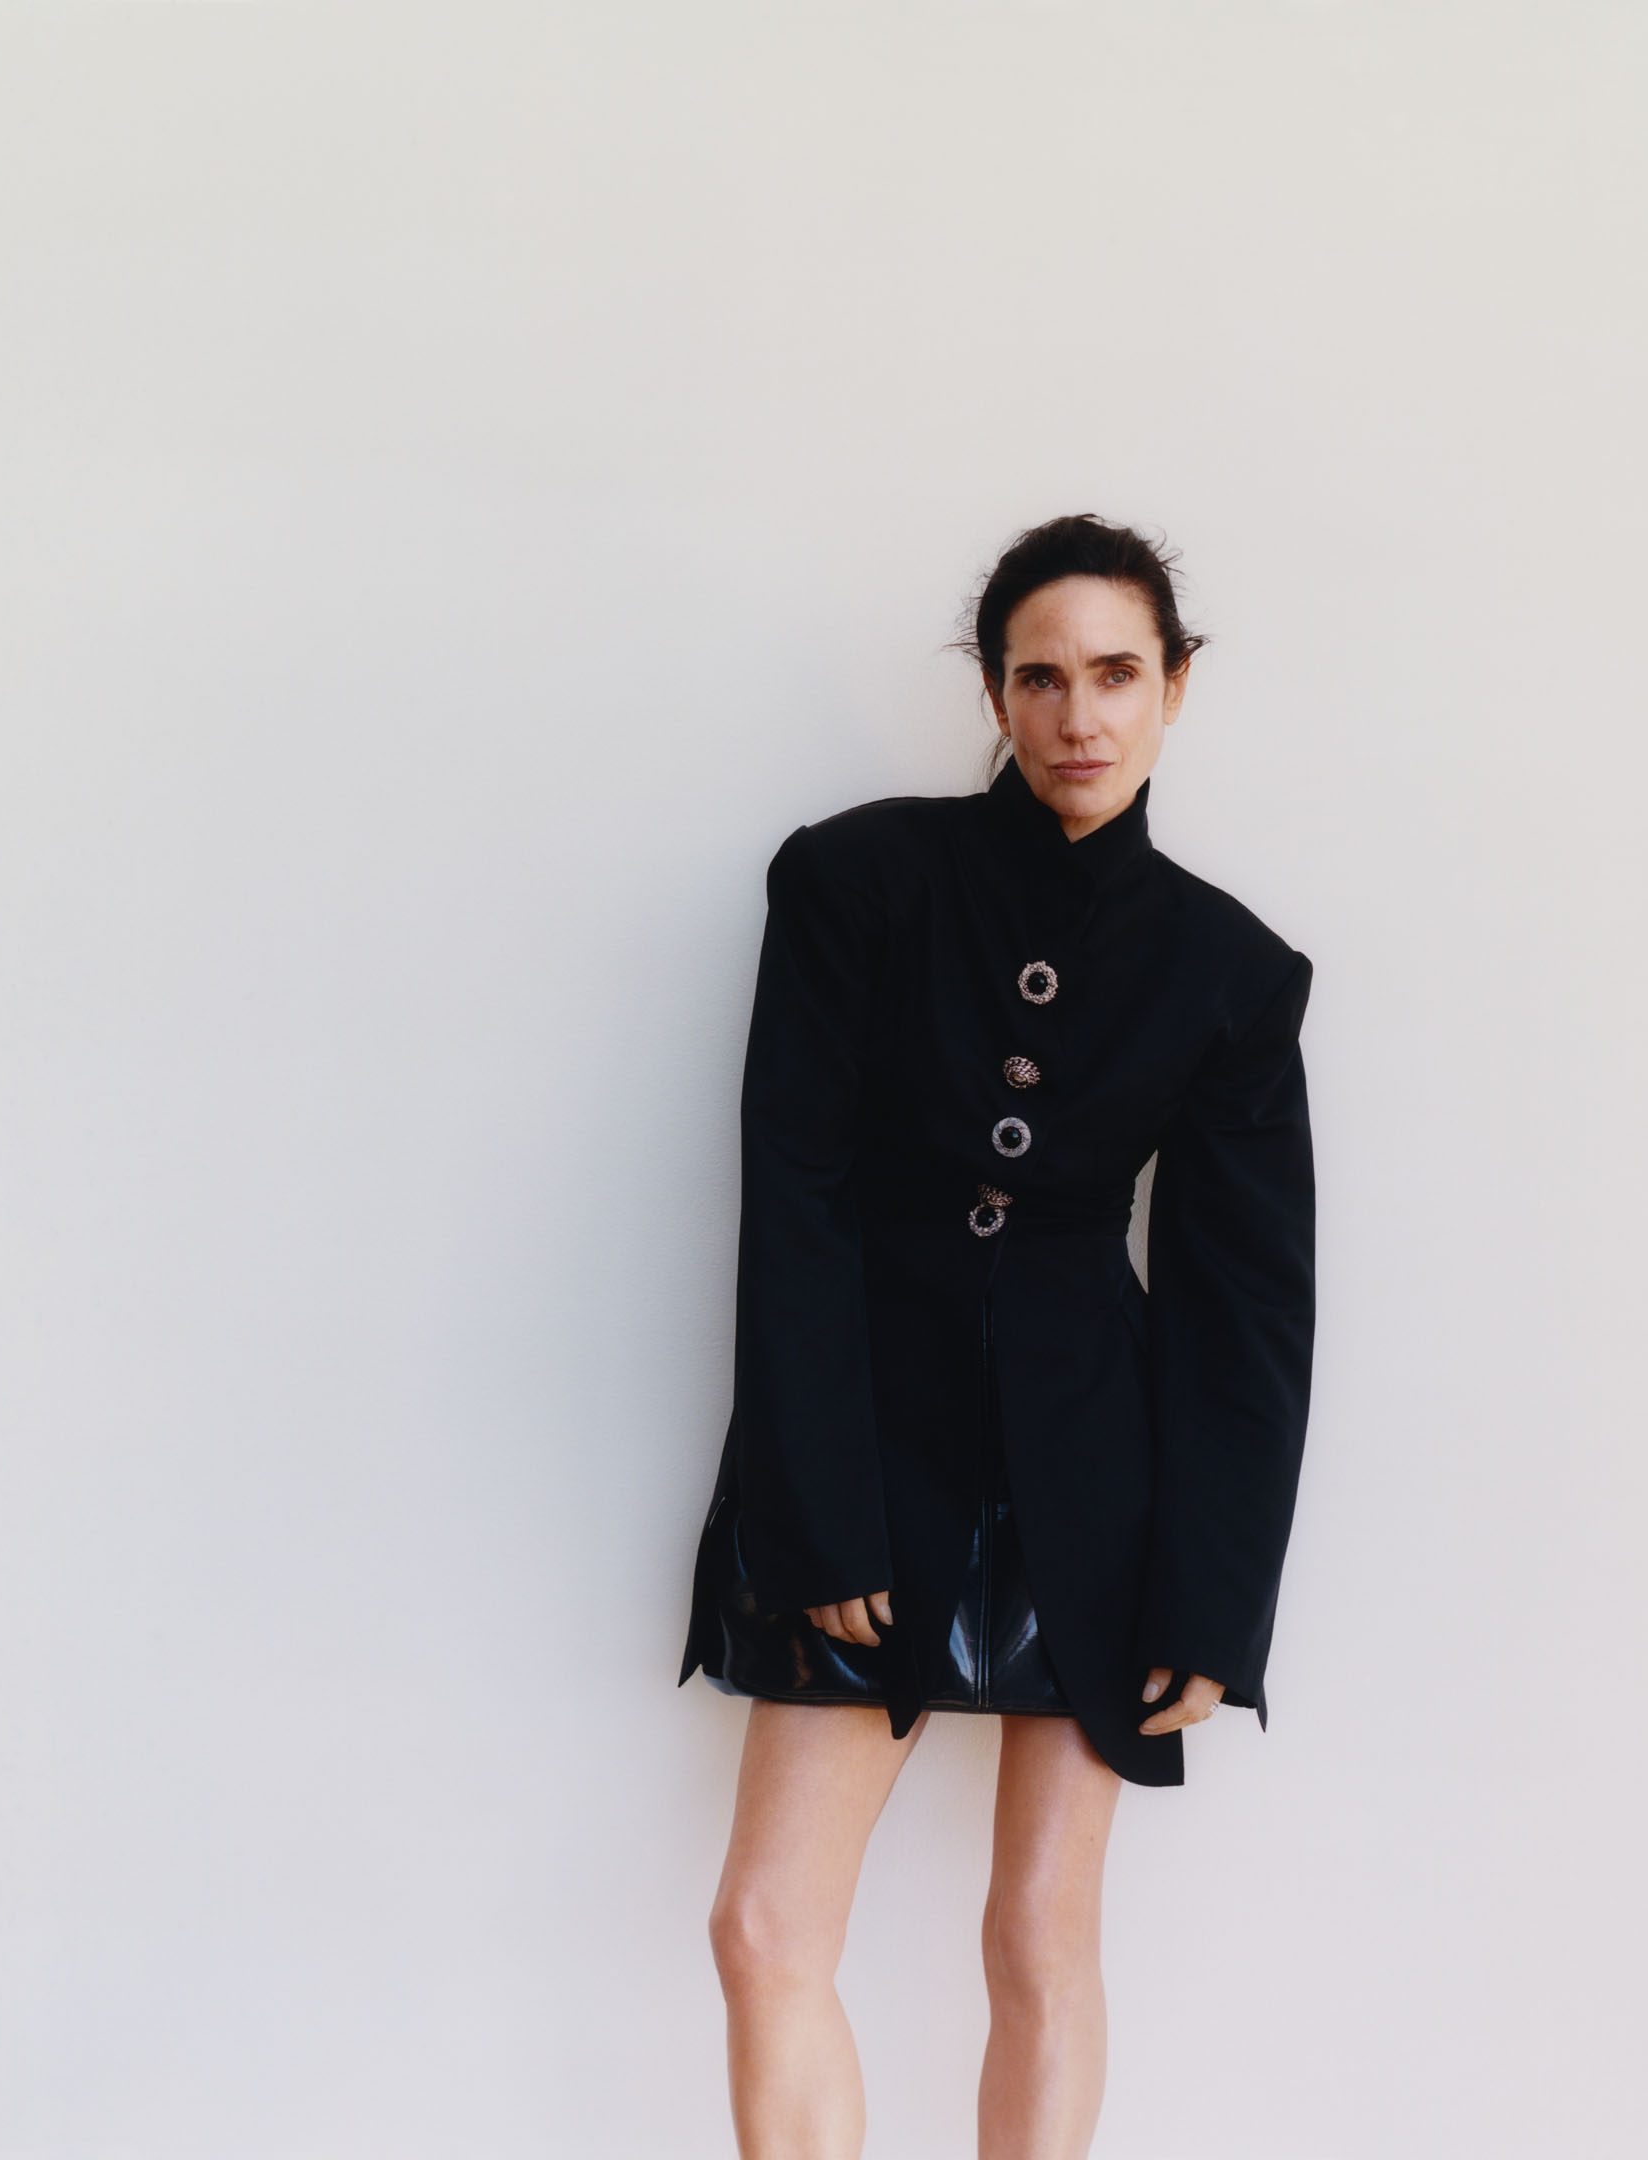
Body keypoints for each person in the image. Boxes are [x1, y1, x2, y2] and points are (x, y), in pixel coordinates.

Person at [676, 512, 1318, 2157]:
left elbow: (1243, 1303)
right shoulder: (855, 880)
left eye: (1116, 674)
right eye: (1040, 678)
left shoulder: (1232, 971)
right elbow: (793, 1195)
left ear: (1175, 686)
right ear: (992, 690)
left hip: (1091, 1476)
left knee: (1038, 1937)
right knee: (762, 1924)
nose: (1077, 717)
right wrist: (817, 1508)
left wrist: (1215, 1596)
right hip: (862, 1441)